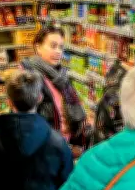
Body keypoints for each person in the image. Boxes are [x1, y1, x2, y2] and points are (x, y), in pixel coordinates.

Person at [21, 26, 89, 156]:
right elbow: (28, 125)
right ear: (38, 47)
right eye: (53, 46)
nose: (58, 51)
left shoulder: (60, 75)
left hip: (65, 144)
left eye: (61, 47)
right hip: (47, 150)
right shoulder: (29, 78)